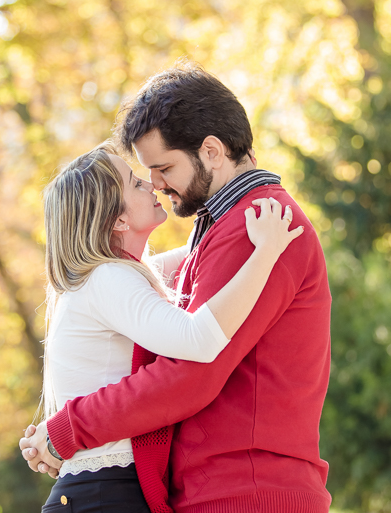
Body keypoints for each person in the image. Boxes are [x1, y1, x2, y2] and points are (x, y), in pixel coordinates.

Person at [21, 61, 333, 513]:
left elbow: (189, 373)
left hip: (245, 491)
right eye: (144, 174)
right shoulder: (220, 229)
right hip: (225, 489)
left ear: (210, 151)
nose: (157, 184)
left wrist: (67, 428)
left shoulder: (258, 224)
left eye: (163, 167)